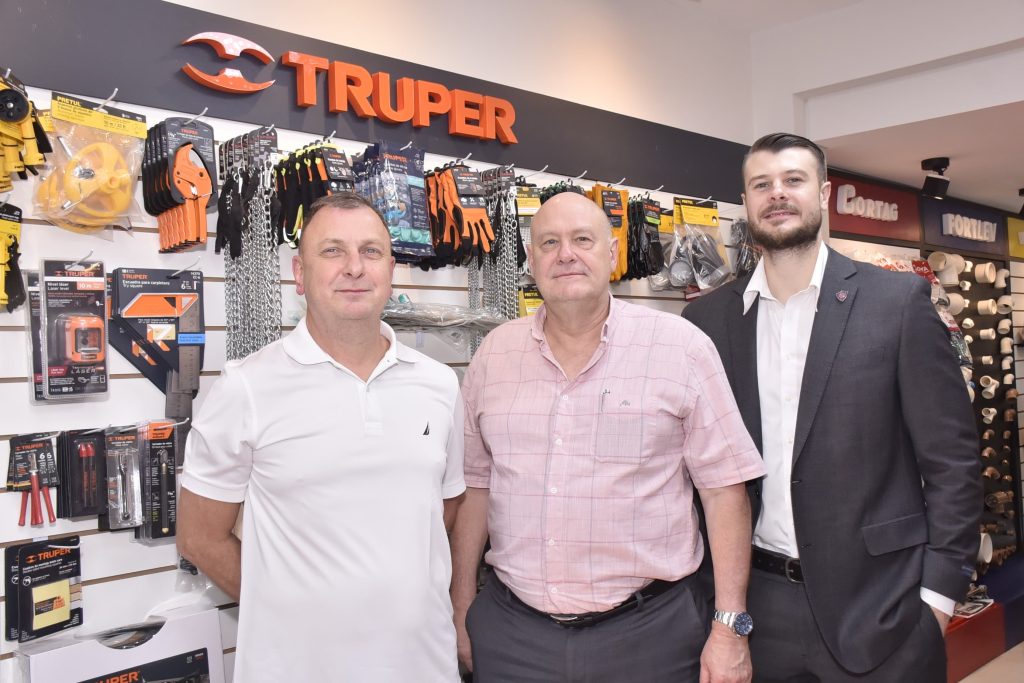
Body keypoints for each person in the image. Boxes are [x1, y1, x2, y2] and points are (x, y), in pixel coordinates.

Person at [683, 133, 981, 682]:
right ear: (745, 202)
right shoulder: (707, 321)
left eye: (793, 180)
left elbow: (953, 464)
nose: (777, 193)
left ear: (822, 194)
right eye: (761, 184)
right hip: (756, 610)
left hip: (883, 608)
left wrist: (936, 603)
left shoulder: (896, 304)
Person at [451, 191, 766, 682]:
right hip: (513, 637)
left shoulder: (680, 347)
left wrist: (730, 627)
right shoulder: (495, 354)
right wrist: (461, 605)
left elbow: (724, 490)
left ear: (614, 252)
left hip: (649, 637)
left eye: (583, 240)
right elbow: (476, 486)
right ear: (530, 259)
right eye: (549, 243)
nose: (566, 255)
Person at [178, 192, 465, 682]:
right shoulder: (246, 387)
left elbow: (444, 508)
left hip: (424, 666)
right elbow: (199, 537)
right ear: (299, 273)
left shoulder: (439, 384)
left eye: (371, 251)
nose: (354, 267)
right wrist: (287, 612)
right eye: (332, 251)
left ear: (390, 269)